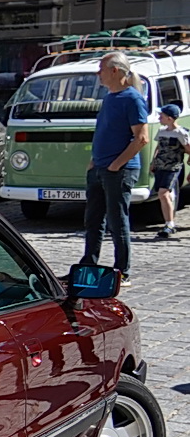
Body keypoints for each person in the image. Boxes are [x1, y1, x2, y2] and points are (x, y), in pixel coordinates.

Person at [79, 52, 150, 278]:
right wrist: (93, 162)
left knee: (117, 221)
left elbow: (141, 138)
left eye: (101, 69)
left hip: (118, 171)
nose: (98, 74)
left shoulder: (132, 98)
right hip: (99, 168)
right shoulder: (110, 97)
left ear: (115, 71)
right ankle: (89, 265)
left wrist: (116, 165)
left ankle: (122, 271)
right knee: (93, 221)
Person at [151, 103, 186, 238]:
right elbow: (158, 147)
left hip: (172, 167)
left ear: (170, 118)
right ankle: (168, 220)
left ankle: (169, 224)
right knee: (163, 194)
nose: (159, 117)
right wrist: (153, 161)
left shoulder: (180, 133)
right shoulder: (161, 131)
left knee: (163, 193)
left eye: (162, 115)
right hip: (160, 166)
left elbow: (187, 148)